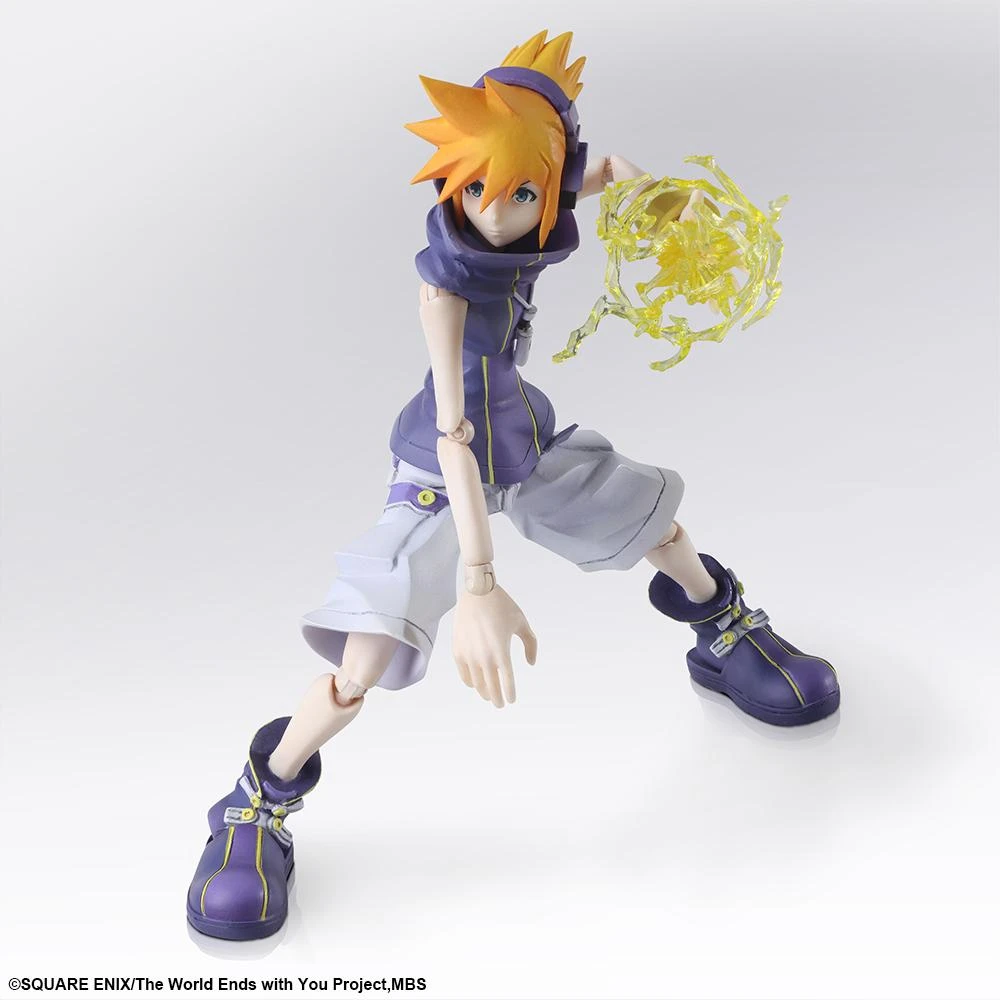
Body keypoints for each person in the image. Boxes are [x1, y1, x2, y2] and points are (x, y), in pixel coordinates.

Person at [186, 30, 839, 942]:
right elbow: (454, 437)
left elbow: (603, 169)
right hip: (443, 468)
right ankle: (255, 804)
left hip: (521, 438)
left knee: (652, 520)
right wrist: (479, 581)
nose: (497, 213)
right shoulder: (447, 289)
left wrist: (661, 203)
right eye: (477, 192)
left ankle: (723, 633)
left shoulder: (545, 197)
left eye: (524, 192)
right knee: (363, 658)